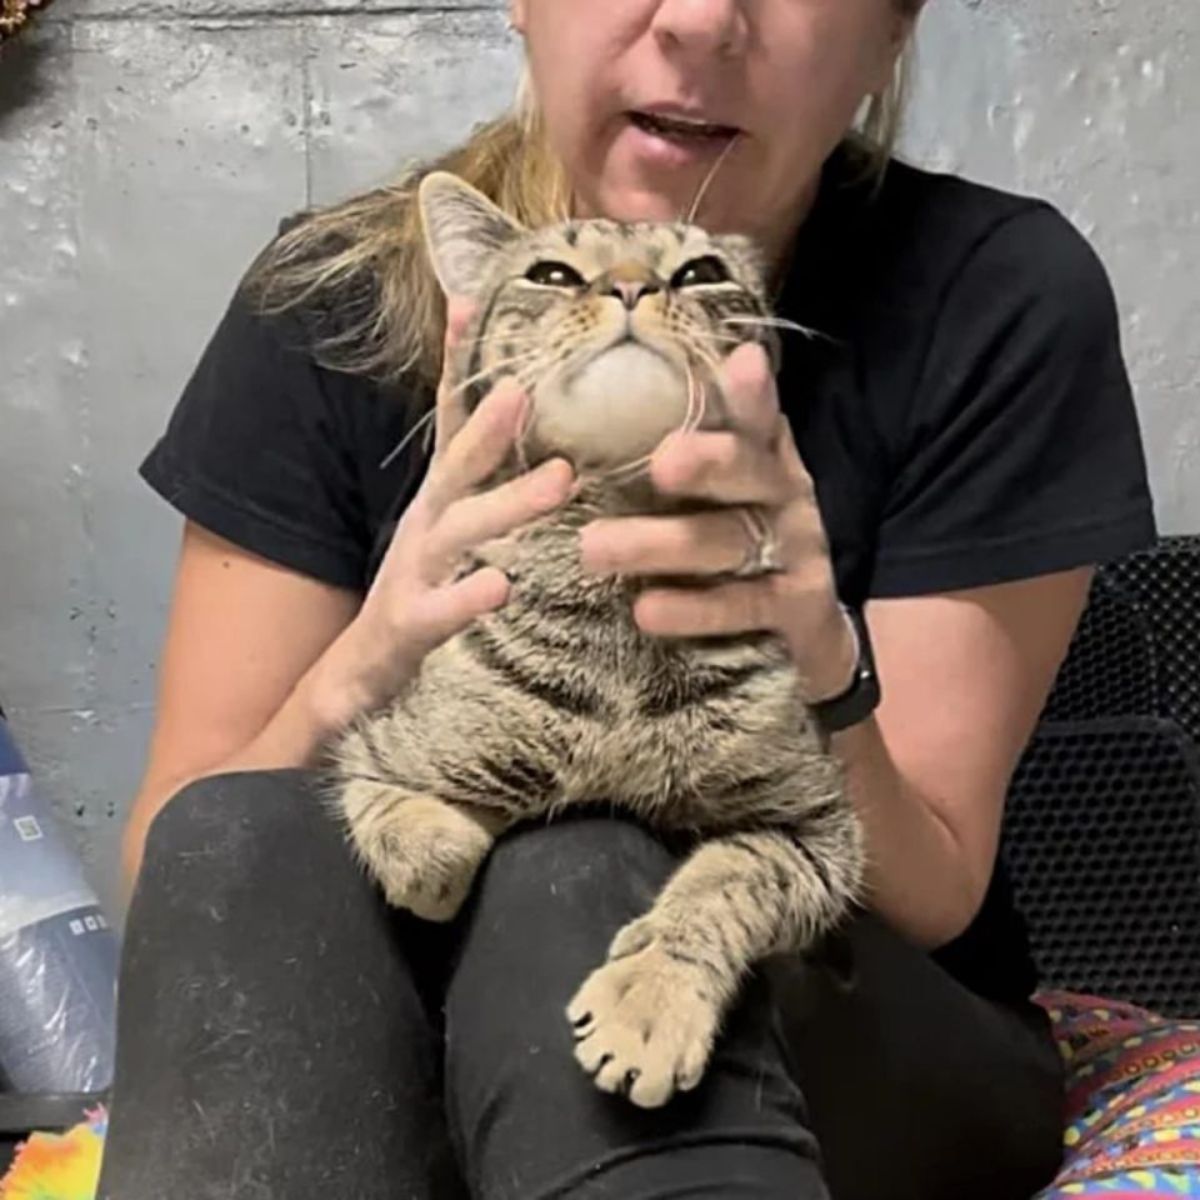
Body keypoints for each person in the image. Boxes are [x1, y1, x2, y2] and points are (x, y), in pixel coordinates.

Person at [98, 1, 1158, 1197]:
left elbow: (937, 883)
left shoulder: (992, 292)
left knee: (573, 869)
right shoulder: (332, 298)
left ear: (894, 29)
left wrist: (821, 664)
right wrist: (370, 659)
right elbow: (187, 876)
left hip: (859, 1029)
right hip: (415, 1027)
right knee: (249, 831)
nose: (703, 17)